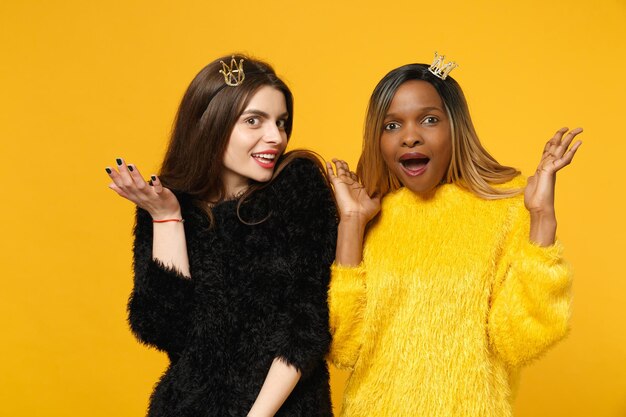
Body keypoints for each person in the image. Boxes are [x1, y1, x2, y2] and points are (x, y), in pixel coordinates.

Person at [326, 55, 582, 417]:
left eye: (429, 120)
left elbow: (521, 341)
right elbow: (344, 349)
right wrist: (351, 224)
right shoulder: (370, 216)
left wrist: (541, 217)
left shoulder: (505, 210)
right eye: (391, 125)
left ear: (455, 127)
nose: (410, 136)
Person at [105, 54, 337, 417]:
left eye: (281, 122)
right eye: (253, 121)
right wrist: (167, 219)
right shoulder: (166, 202)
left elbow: (306, 325)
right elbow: (165, 329)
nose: (276, 137)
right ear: (209, 125)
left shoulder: (299, 188)